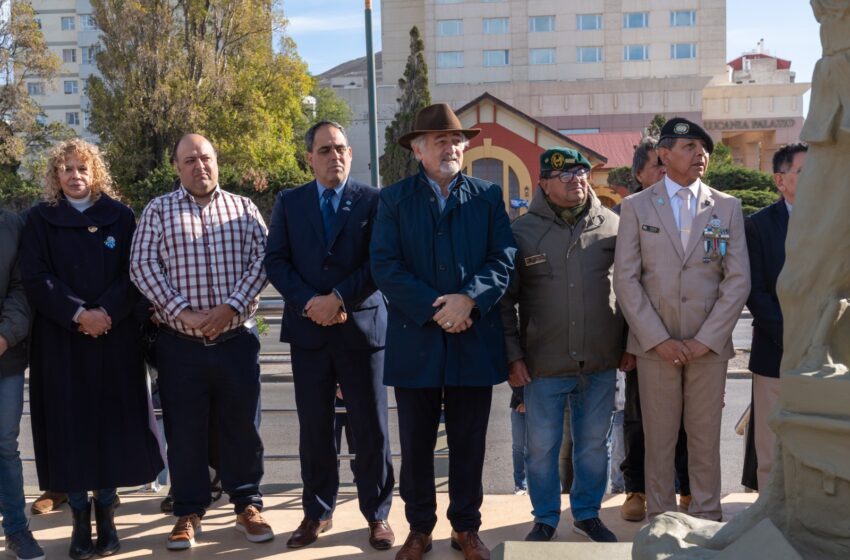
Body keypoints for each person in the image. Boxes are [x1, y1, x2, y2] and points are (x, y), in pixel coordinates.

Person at [370, 103, 516, 560]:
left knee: (470, 443)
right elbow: (385, 265)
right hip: (417, 340)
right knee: (416, 446)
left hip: (473, 338)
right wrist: (438, 310)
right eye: (440, 141)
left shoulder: (487, 196)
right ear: (418, 150)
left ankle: (466, 528)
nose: (451, 147)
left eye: (456, 140)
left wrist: (468, 299)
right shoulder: (393, 199)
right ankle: (419, 530)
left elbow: (503, 257)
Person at [20, 138, 164, 559]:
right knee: (70, 431)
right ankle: (80, 519)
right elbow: (36, 278)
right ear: (55, 175)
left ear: (95, 171)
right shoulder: (38, 220)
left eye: (82, 168)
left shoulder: (120, 216)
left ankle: (107, 514)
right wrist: (79, 313)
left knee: (111, 429)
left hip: (114, 340)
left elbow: (134, 273)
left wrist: (104, 313)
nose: (75, 175)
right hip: (61, 342)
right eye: (66, 168)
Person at [130, 133, 271, 550]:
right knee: (184, 432)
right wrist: (184, 313)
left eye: (205, 157)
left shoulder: (244, 208)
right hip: (180, 345)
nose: (199, 166)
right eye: (189, 160)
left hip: (236, 341)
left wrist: (231, 307)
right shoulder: (158, 210)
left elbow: (264, 260)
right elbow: (141, 266)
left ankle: (246, 504)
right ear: (177, 167)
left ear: (216, 161)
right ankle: (188, 511)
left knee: (242, 429)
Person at [264, 120, 395, 551]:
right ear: (309, 158)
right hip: (309, 332)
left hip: (362, 329)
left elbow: (380, 261)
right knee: (315, 429)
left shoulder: (374, 200)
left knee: (371, 429)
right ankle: (317, 512)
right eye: (325, 150)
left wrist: (338, 298)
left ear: (350, 154)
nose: (334, 155)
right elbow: (276, 261)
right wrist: (311, 303)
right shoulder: (290, 202)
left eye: (340, 148)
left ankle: (377, 514)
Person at [614, 118, 750, 521]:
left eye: (703, 148)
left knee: (705, 437)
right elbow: (626, 280)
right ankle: (662, 519)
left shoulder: (726, 206)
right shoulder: (637, 207)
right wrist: (657, 339)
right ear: (664, 154)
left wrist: (706, 339)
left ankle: (707, 515)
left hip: (709, 348)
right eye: (689, 147)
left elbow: (737, 279)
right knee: (659, 438)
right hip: (656, 348)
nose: (700, 154)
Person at [501, 147, 630, 543]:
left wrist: (630, 344)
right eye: (565, 175)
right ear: (544, 183)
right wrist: (513, 356)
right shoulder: (521, 232)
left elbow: (630, 290)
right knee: (541, 448)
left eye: (581, 172)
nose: (577, 180)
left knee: (594, 445)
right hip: (543, 362)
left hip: (601, 358)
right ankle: (545, 518)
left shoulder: (613, 226)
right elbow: (505, 302)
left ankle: (587, 514)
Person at [618, 138, 692, 522]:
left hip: (690, 335)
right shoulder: (628, 213)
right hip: (642, 338)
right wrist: (627, 342)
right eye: (657, 167)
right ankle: (637, 489)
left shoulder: (694, 207)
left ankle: (688, 488)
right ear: (639, 174)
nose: (665, 173)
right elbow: (619, 284)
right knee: (639, 419)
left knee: (689, 419)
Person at [741, 142, 808, 492]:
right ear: (780, 180)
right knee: (770, 444)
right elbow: (754, 291)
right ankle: (769, 508)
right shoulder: (758, 226)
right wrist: (792, 335)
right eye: (804, 171)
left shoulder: (836, 222)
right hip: (775, 349)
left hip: (828, 351)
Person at [0, 207, 44, 560]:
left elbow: (22, 288)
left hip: (5, 355)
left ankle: (16, 529)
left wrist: (4, 337)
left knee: (4, 446)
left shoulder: (12, 224)